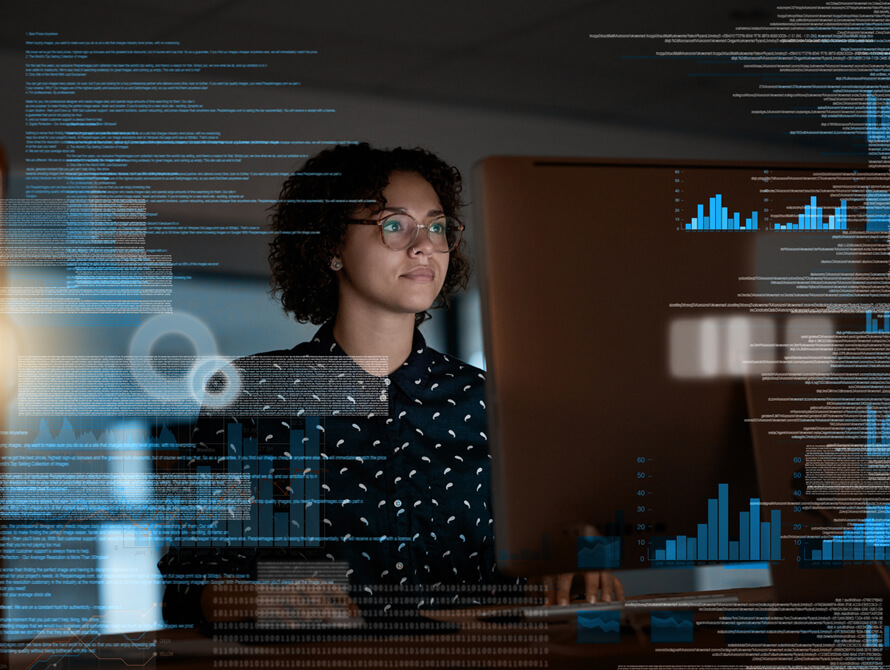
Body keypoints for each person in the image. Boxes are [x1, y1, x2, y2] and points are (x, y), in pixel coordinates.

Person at [158, 142, 621, 628]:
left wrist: (574, 561)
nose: (423, 244)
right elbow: (184, 584)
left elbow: (554, 543)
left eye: (437, 226)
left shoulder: (497, 403)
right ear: (332, 245)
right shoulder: (248, 396)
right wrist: (254, 602)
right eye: (394, 224)